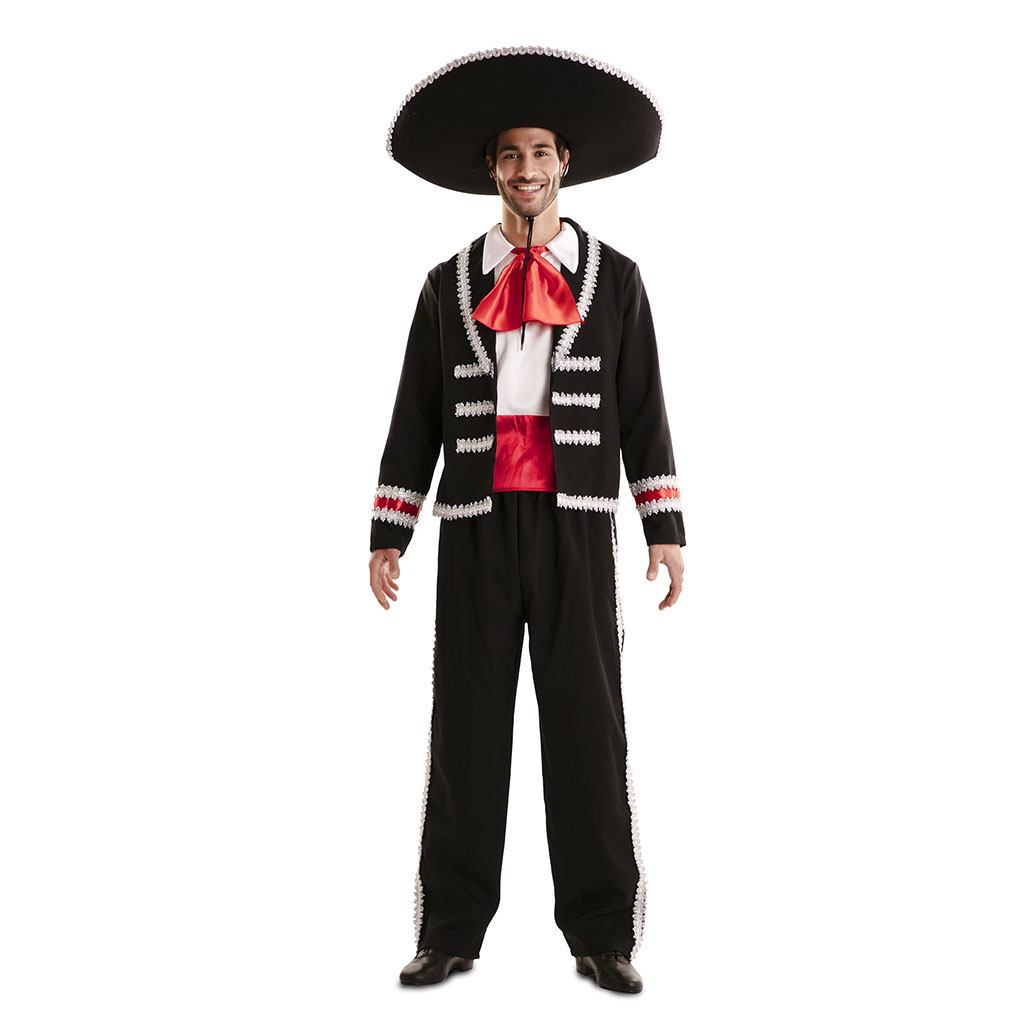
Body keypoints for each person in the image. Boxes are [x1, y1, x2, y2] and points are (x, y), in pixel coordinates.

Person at [367, 47, 686, 994]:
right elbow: (416, 413)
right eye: (511, 154)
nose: (527, 168)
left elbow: (643, 406)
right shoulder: (446, 284)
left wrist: (664, 527)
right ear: (491, 168)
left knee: (587, 723)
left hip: (574, 522)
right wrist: (390, 531)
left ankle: (602, 932)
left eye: (541, 151)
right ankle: (450, 929)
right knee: (466, 724)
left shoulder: (615, 279)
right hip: (476, 522)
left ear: (565, 162)